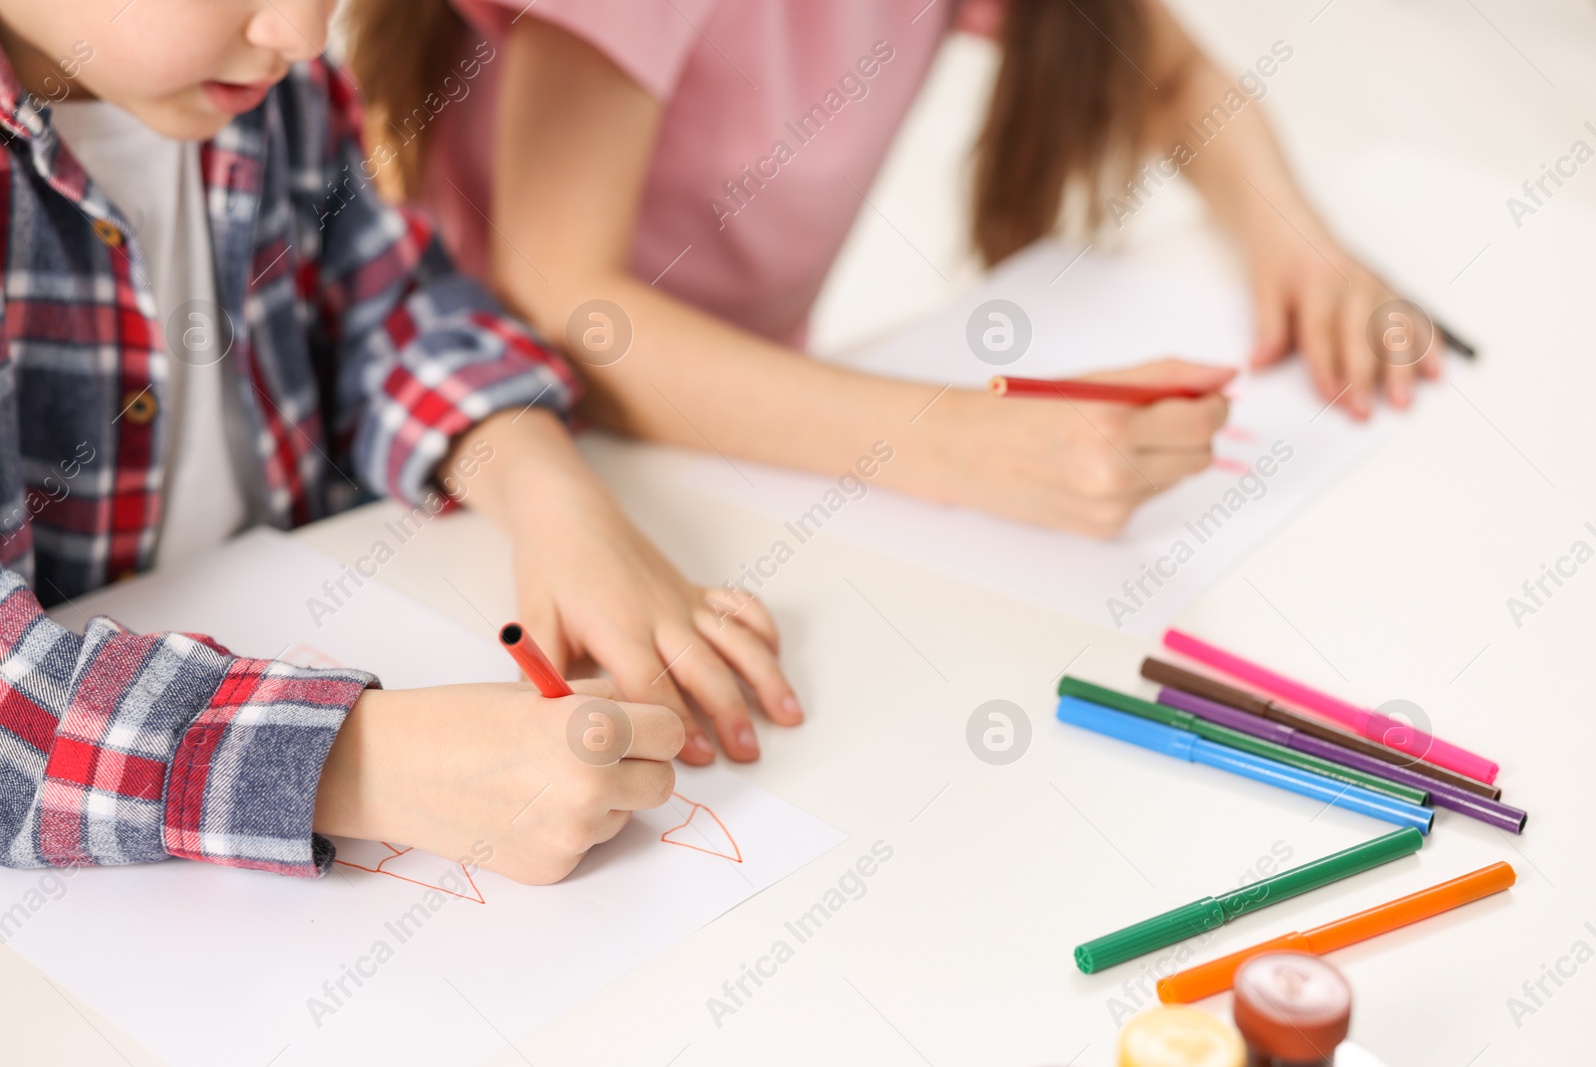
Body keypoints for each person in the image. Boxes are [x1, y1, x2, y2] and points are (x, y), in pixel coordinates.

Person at [0, 0, 798, 887]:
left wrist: (550, 496)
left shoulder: (276, 91)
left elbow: (395, 318)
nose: (305, 35)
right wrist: (356, 765)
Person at [344, 0, 1444, 539]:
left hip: (755, 446)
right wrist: (959, 443)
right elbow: (565, 301)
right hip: (485, 444)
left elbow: (1162, 73)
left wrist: (1297, 242)